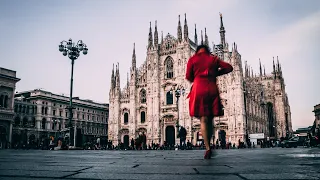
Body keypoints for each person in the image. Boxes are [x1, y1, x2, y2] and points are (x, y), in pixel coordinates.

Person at [186, 44, 233, 159]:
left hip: (199, 89)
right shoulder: (213, 58)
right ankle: (211, 142)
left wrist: (196, 77)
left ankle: (208, 148)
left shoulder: (193, 59)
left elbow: (188, 76)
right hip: (211, 88)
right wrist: (215, 73)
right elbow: (229, 67)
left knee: (203, 119)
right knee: (210, 117)